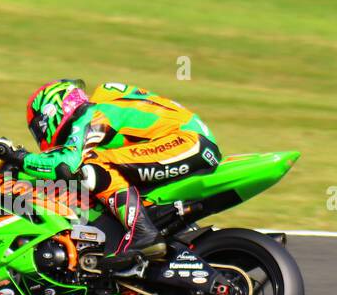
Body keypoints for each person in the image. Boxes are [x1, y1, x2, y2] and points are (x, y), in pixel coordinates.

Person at [17, 79, 221, 259]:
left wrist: (19, 158)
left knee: (93, 165)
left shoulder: (90, 114)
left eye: (38, 128)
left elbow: (66, 164)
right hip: (187, 141)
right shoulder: (107, 108)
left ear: (51, 112)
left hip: (186, 142)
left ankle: (143, 233)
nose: (40, 136)